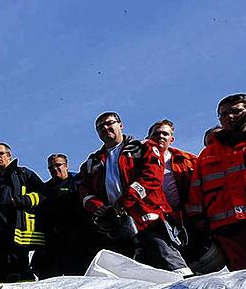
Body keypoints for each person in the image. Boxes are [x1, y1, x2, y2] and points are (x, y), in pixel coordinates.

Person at [78, 112, 191, 275]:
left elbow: (151, 177)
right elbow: (84, 190)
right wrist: (99, 208)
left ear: (120, 125)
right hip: (117, 227)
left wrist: (123, 204)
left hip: (149, 220)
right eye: (100, 126)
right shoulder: (92, 162)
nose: (105, 128)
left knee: (170, 263)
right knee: (131, 275)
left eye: (110, 123)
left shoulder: (143, 147)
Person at [187, 94, 246, 269]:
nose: (229, 117)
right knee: (242, 278)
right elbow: (196, 189)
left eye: (236, 111)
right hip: (227, 225)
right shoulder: (208, 153)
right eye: (223, 114)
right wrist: (198, 221)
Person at [0, 143, 45, 282]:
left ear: (9, 155)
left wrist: (24, 200)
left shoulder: (23, 174)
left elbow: (43, 193)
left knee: (21, 272)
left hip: (17, 233)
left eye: (1, 153)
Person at [146, 120, 204, 262]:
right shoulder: (140, 161)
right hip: (157, 218)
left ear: (171, 139)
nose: (160, 136)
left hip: (186, 217)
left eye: (165, 134)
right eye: (156, 134)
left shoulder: (188, 160)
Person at [34, 154, 95, 278]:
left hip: (80, 241)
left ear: (66, 165)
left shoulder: (79, 182)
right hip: (54, 243)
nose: (54, 169)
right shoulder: (45, 189)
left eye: (58, 165)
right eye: (51, 167)